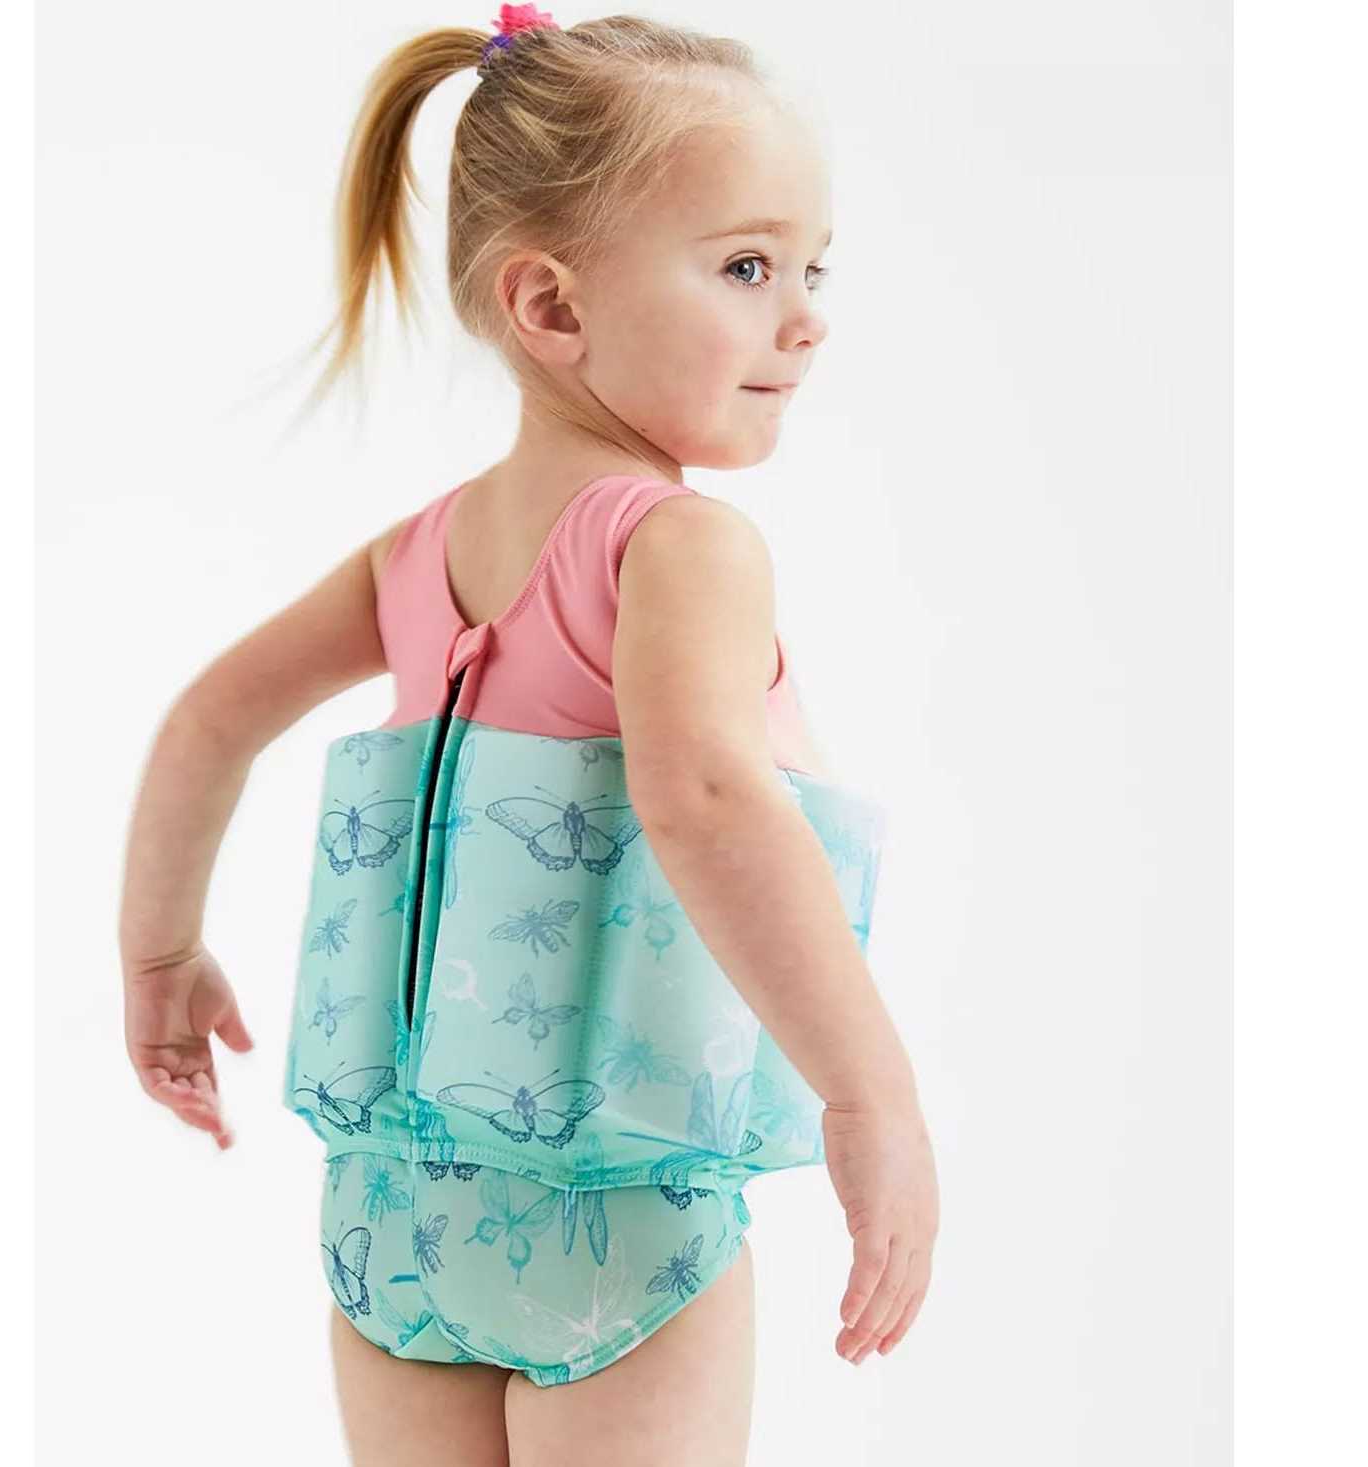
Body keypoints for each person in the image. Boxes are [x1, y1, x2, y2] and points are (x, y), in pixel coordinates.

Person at [116, 7, 939, 1464]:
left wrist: (161, 959)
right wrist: (873, 1098)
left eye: (814, 268)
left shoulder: (419, 556)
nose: (806, 316)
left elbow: (210, 719)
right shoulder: (678, 544)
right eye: (747, 267)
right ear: (552, 305)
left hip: (392, 1226)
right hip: (617, 1224)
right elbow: (704, 799)